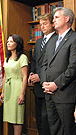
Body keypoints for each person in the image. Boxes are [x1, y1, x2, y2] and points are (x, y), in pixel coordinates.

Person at [41, 7, 76, 135]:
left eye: (56, 17)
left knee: (67, 130)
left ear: (67, 19)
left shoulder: (74, 39)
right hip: (49, 93)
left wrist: (56, 84)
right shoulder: (52, 41)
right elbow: (44, 65)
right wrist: (45, 83)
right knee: (54, 130)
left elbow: (73, 68)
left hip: (65, 94)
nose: (53, 20)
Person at [28, 13, 56, 135]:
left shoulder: (57, 39)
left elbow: (54, 64)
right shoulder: (39, 42)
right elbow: (34, 60)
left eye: (45, 24)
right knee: (39, 118)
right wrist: (32, 74)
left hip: (48, 85)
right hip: (37, 87)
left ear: (52, 24)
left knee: (47, 119)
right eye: (41, 24)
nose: (42, 27)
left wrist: (40, 76)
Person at [0, 34, 28, 135]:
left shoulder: (22, 57)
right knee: (10, 117)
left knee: (17, 117)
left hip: (17, 88)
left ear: (17, 43)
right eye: (8, 41)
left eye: (11, 41)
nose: (8, 43)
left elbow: (25, 76)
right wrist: (3, 92)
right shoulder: (7, 58)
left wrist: (22, 94)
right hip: (8, 89)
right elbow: (5, 76)